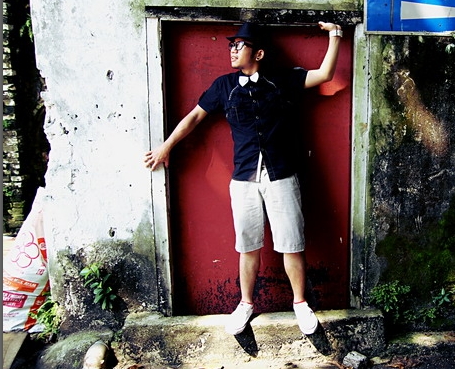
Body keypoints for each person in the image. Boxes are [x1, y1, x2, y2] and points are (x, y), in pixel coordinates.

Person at [144, 20, 342, 335]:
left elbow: (325, 75)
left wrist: (335, 34)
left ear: (258, 53)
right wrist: (166, 146)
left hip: (281, 175)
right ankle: (246, 303)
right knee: (247, 245)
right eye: (231, 45)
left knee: (291, 243)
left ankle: (300, 303)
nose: (233, 50)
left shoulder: (282, 79)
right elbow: (195, 117)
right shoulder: (224, 86)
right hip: (244, 178)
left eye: (239, 45)